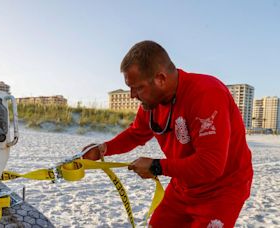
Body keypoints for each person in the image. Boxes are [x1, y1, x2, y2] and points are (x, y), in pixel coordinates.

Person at [82, 40, 253, 227]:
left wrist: (156, 166)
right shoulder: (151, 103)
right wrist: (102, 149)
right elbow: (136, 133)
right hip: (184, 185)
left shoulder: (206, 93)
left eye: (138, 88)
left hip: (221, 190)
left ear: (161, 79)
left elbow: (210, 165)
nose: (132, 95)